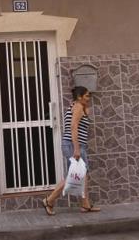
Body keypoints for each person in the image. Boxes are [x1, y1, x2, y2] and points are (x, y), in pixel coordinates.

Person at [42, 86, 101, 215]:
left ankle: (85, 205)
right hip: (72, 145)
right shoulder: (78, 107)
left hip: (75, 145)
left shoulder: (79, 106)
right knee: (73, 176)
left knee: (82, 175)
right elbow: (73, 127)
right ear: (79, 97)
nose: (89, 98)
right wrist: (76, 148)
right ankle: (49, 200)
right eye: (86, 96)